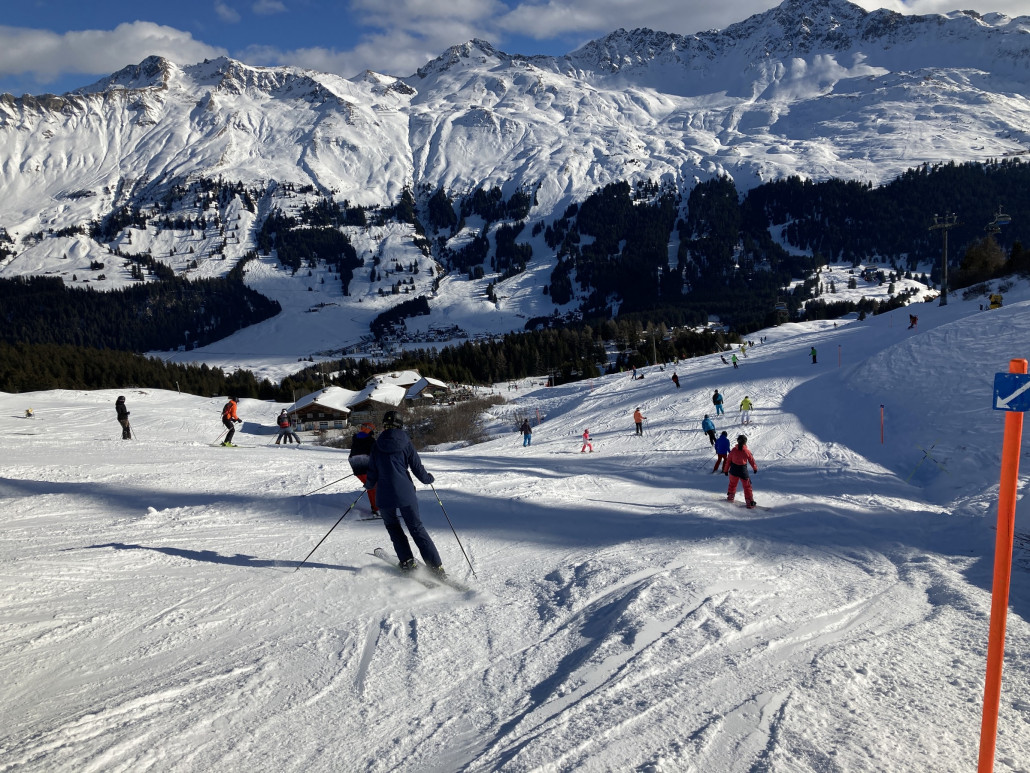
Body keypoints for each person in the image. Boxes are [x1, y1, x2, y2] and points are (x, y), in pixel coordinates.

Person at [365, 410, 443, 574]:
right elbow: (418, 469)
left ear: (385, 425)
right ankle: (435, 567)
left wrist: (368, 484)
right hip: (405, 493)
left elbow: (372, 473)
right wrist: (428, 479)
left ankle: (407, 562)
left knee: (393, 527)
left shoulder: (376, 445)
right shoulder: (406, 443)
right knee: (416, 528)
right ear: (400, 425)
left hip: (384, 495)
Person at [349, 422, 378, 516]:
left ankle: (376, 508)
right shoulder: (371, 440)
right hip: (366, 467)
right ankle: (376, 509)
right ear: (370, 430)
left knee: (371, 487)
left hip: (356, 467)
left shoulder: (356, 439)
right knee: (374, 487)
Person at [726, 434, 759, 508]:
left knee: (732, 484)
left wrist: (726, 470)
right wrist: (755, 468)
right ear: (745, 442)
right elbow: (751, 460)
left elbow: (728, 461)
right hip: (742, 471)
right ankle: (749, 502)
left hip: (733, 470)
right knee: (747, 487)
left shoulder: (733, 450)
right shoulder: (746, 451)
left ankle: (730, 497)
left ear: (738, 441)